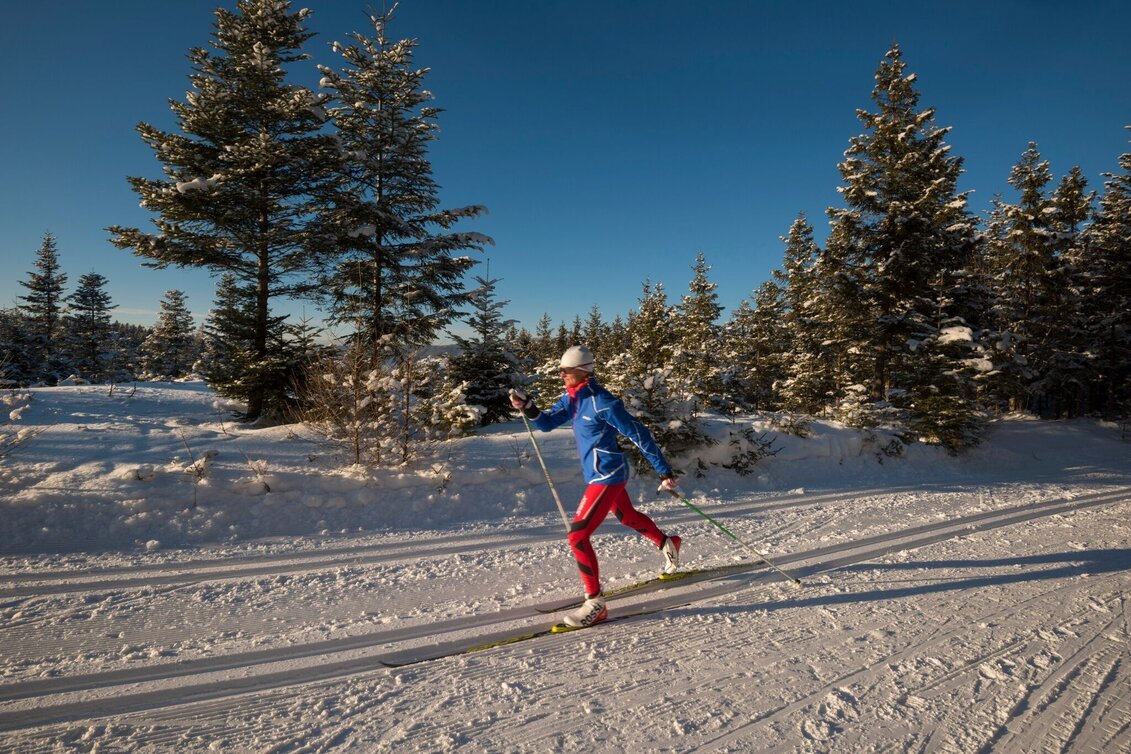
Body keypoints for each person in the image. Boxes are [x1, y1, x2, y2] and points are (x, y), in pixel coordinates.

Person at [509, 345, 682, 628]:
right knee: (626, 516)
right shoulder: (573, 397)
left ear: (581, 372)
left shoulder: (604, 402)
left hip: (608, 474)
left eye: (565, 371)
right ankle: (668, 543)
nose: (561, 375)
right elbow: (548, 423)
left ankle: (595, 603)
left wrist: (663, 470)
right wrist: (528, 407)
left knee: (578, 537)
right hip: (596, 474)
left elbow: (640, 435)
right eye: (561, 371)